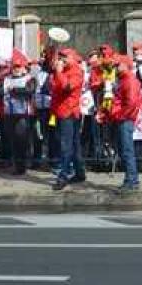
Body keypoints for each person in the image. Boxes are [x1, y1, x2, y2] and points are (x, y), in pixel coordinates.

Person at [50, 48, 86, 190]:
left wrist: (58, 72)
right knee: (74, 144)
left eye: (65, 57)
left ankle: (63, 175)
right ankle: (79, 173)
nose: (62, 60)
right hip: (61, 112)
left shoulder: (76, 72)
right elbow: (54, 87)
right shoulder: (64, 71)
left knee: (66, 145)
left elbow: (66, 87)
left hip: (69, 112)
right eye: (61, 57)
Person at [109, 55, 142, 191]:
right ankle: (131, 179)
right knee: (125, 150)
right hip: (123, 118)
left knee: (127, 150)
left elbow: (131, 103)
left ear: (125, 65)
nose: (116, 68)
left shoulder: (128, 80)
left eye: (118, 65)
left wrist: (119, 115)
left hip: (125, 119)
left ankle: (132, 180)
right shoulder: (124, 79)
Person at [1, 57, 36, 175]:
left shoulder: (29, 79)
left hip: (23, 114)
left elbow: (29, 90)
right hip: (9, 114)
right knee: (13, 141)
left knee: (23, 140)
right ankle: (17, 165)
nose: (16, 69)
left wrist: (14, 90)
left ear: (24, 68)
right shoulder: (6, 79)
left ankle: (23, 165)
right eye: (14, 66)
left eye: (18, 67)